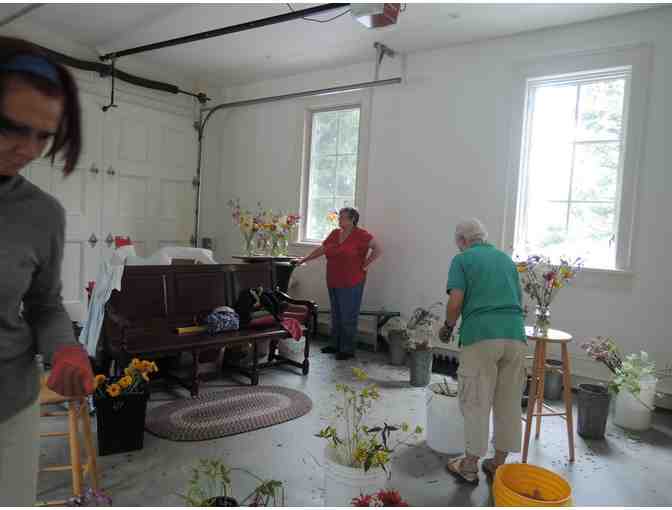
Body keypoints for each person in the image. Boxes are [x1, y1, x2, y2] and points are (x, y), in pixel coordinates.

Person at [0, 36, 94, 505]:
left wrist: (64, 348)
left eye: (44, 136)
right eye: (11, 127)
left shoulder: (42, 214)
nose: (29, 150)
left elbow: (44, 304)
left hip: (8, 410)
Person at [439, 218, 526, 484]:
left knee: (476, 399)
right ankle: (498, 463)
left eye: (458, 242)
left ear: (462, 240)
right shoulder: (506, 261)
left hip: (481, 337)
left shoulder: (462, 260)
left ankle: (469, 466)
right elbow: (519, 300)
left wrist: (448, 327)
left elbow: (455, 302)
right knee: (509, 400)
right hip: (515, 336)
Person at [294, 207, 381, 360]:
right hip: (334, 279)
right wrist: (304, 259)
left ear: (352, 219)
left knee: (348, 316)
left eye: (342, 217)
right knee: (336, 314)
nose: (339, 219)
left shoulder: (361, 235)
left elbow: (377, 249)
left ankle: (347, 349)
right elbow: (322, 249)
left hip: (352, 281)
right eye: (339, 217)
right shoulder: (335, 233)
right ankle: (335, 345)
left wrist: (366, 264)